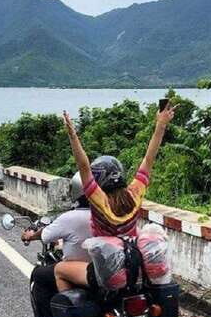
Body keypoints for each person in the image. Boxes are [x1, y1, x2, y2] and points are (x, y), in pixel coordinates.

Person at [54, 103, 176, 292]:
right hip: (135, 268)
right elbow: (149, 158)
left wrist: (72, 135)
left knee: (60, 270)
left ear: (99, 180)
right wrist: (161, 124)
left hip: (109, 272)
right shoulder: (135, 195)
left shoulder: (98, 200)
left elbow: (83, 165)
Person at [25, 172, 91, 317]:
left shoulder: (69, 217)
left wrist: (29, 236)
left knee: (40, 275)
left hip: (78, 271)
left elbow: (45, 235)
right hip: (108, 268)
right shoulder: (109, 214)